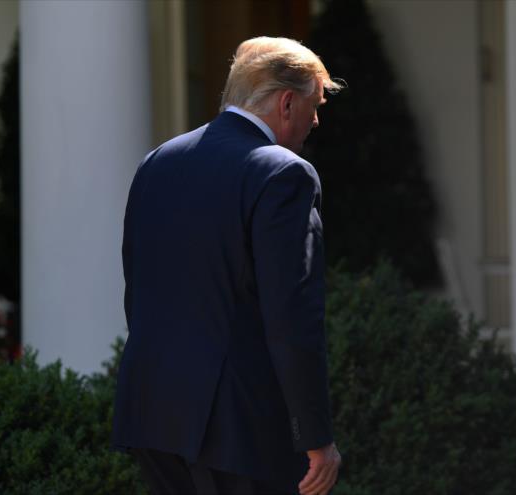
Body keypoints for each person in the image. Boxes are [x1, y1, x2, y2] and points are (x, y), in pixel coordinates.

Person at [112, 36, 343, 495]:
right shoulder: (284, 173)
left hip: (154, 417)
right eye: (314, 105)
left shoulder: (157, 161)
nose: (315, 120)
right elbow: (291, 317)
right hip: (241, 429)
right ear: (285, 103)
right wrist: (316, 438)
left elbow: (136, 291)